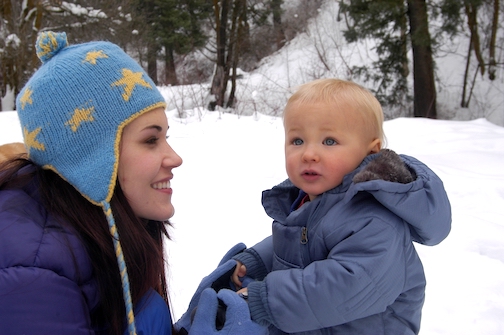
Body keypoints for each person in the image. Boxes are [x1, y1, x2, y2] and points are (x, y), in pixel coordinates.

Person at [0, 31, 265, 335]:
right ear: (90, 157)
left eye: (166, 137)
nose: (174, 158)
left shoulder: (91, 234)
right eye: (151, 140)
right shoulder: (31, 276)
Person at [228, 79, 452, 334]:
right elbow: (300, 244)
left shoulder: (375, 217)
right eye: (298, 140)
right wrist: (257, 261)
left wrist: (267, 299)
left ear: (370, 152)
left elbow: (348, 285)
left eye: (330, 141)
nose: (309, 154)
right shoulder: (311, 199)